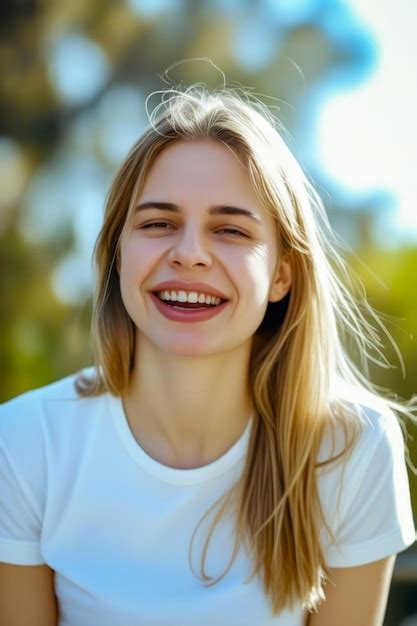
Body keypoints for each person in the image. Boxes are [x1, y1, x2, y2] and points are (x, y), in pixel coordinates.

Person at [0, 82, 415, 626]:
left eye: (230, 230)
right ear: (118, 255)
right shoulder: (25, 441)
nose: (190, 253)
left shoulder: (351, 448)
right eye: (158, 224)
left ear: (281, 276)